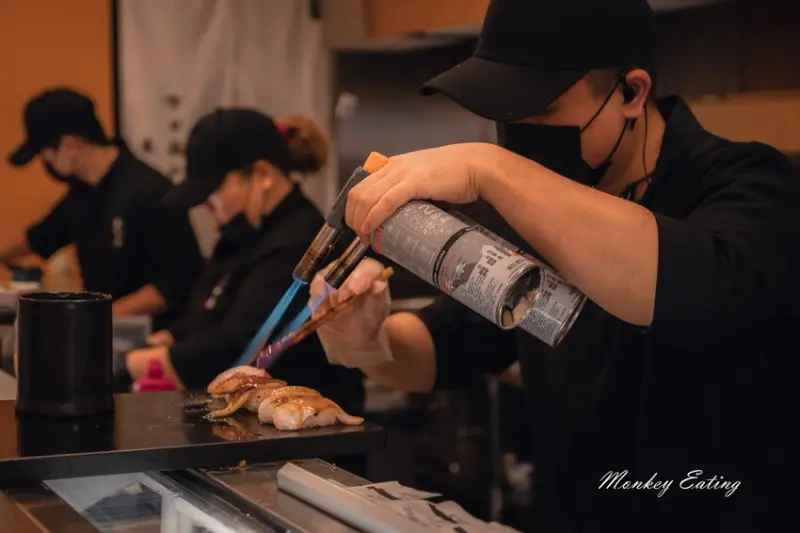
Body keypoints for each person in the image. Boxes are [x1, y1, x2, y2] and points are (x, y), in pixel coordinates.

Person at [311, 0, 800, 531]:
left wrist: (489, 167)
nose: (516, 131)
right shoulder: (535, 214)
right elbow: (447, 345)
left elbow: (683, 285)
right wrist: (369, 339)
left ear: (631, 93)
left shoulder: (754, 185)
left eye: (539, 108)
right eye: (502, 113)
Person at [120, 108, 365, 417]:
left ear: (262, 174)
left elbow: (238, 344)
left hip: (303, 419)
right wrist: (167, 338)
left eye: (212, 190)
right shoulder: (241, 234)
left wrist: (126, 364)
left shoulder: (299, 243)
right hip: (247, 417)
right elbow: (209, 311)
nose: (205, 204)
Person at [2, 88, 203, 329]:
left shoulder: (149, 191)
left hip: (153, 334)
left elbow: (178, 282)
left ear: (69, 145)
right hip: (105, 328)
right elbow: (39, 237)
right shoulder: (83, 193)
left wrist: (100, 315)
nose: (46, 164)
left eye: (45, 154)